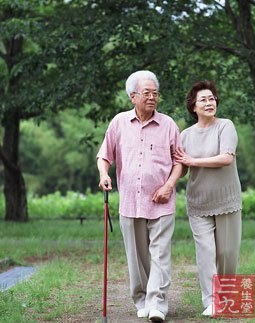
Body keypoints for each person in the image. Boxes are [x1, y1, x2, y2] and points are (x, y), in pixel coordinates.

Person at [96, 70, 182, 322]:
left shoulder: (168, 125)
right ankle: (141, 298)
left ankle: (158, 303)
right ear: (132, 96)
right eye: (147, 93)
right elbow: (105, 155)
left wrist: (169, 185)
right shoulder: (119, 123)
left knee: (160, 253)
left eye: (155, 93)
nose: (152, 97)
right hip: (130, 203)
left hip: (162, 202)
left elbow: (180, 161)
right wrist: (104, 174)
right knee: (136, 257)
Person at [174, 80, 242, 316]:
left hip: (227, 201)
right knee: (205, 253)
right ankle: (211, 301)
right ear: (193, 106)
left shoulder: (225, 126)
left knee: (227, 253)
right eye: (203, 99)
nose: (209, 102)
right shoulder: (185, 135)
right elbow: (180, 168)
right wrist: (166, 182)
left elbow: (226, 158)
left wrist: (193, 161)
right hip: (198, 202)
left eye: (212, 98)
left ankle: (226, 298)